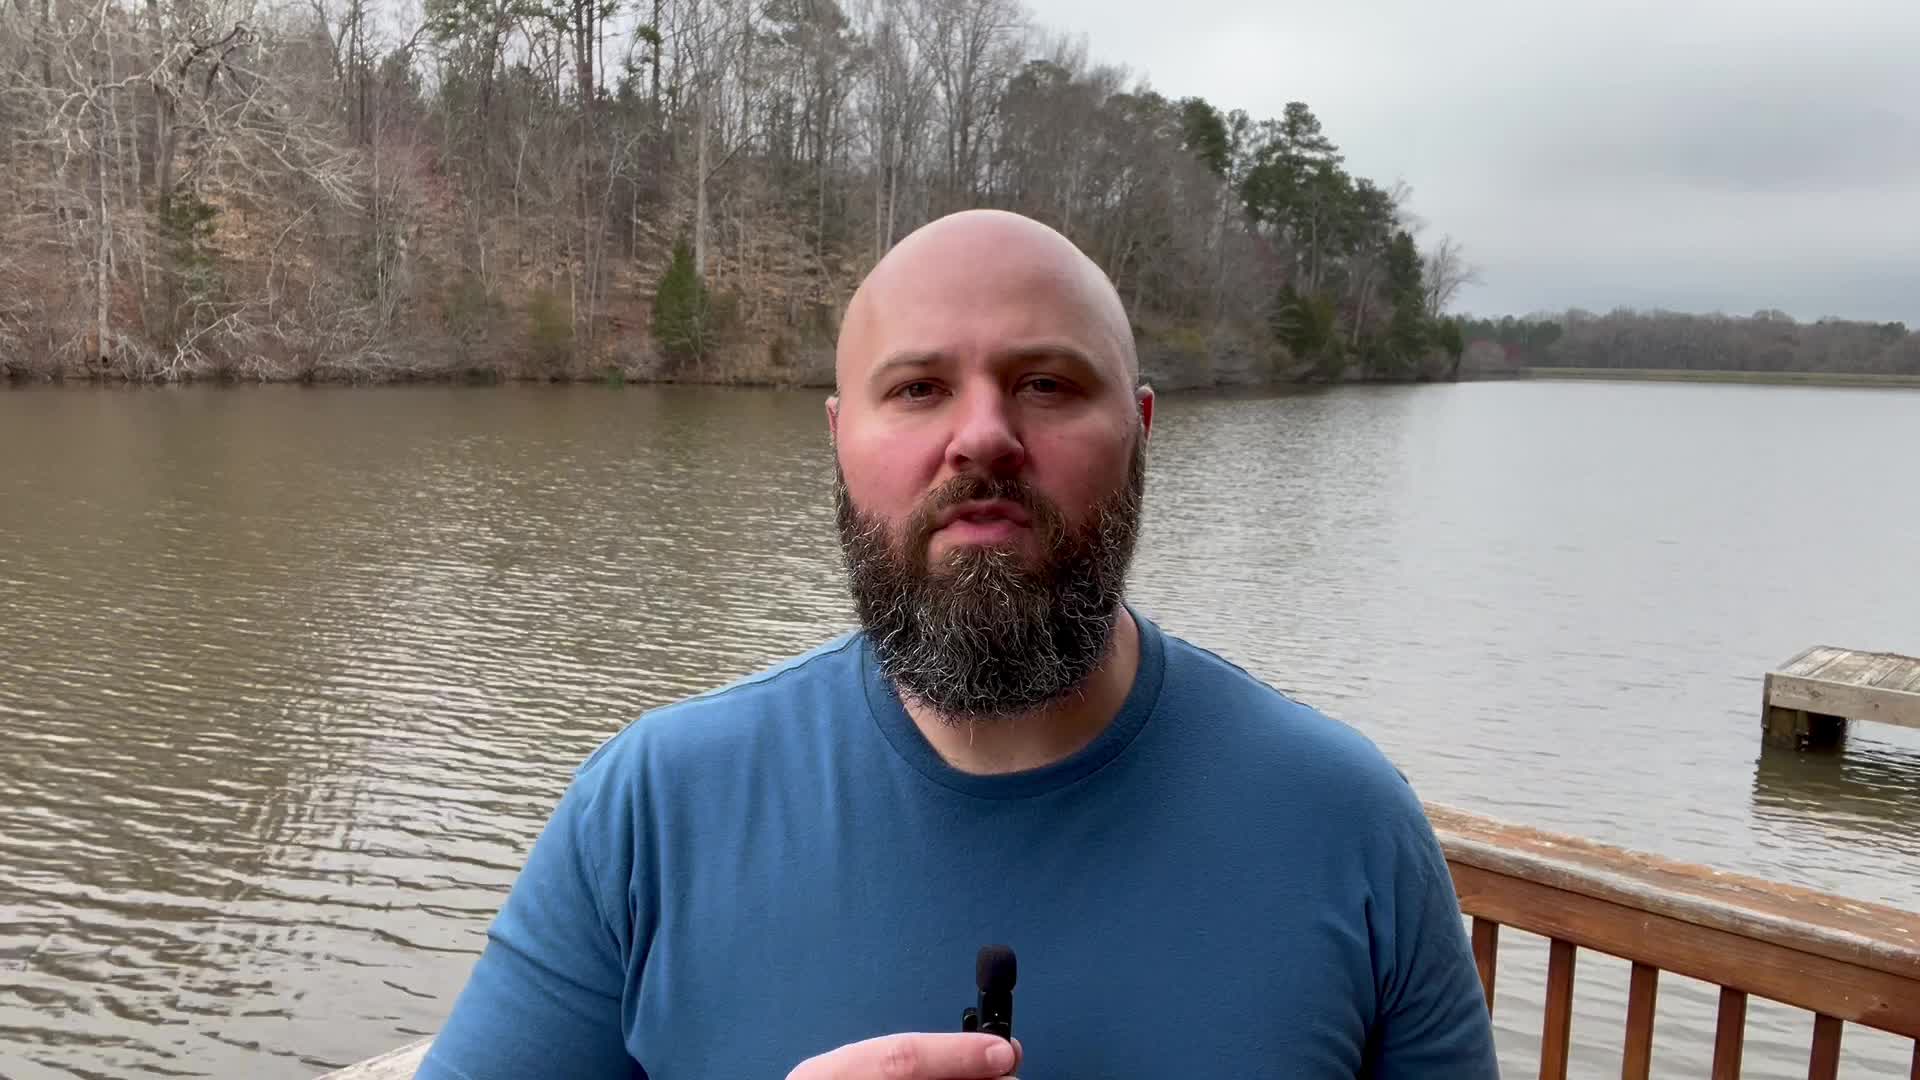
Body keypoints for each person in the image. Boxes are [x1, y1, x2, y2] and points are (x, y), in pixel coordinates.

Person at [417, 209, 1499, 1079]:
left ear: (1140, 431)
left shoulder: (1348, 827)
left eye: (1046, 384)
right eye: (919, 388)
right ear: (840, 442)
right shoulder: (650, 813)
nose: (981, 435)